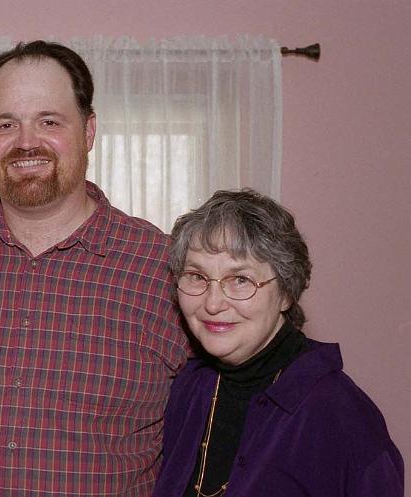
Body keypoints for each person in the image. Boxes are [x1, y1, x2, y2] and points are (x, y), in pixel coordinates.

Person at [0, 41, 188, 496]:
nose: (26, 141)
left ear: (88, 131)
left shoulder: (161, 265)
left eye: (49, 121)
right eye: (5, 124)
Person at [153, 189, 404, 497]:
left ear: (286, 292)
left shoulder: (343, 417)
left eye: (240, 279)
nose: (213, 303)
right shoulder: (189, 388)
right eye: (196, 276)